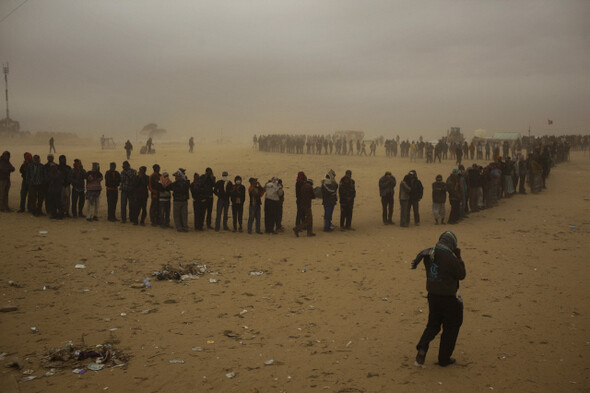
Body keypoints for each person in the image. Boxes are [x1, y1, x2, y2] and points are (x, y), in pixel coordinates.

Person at [412, 231, 466, 367]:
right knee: (451, 327)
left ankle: (423, 348)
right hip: (448, 298)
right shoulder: (450, 258)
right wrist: (459, 257)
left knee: (433, 325)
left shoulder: (429, 253)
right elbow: (461, 274)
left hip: (432, 296)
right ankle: (444, 358)